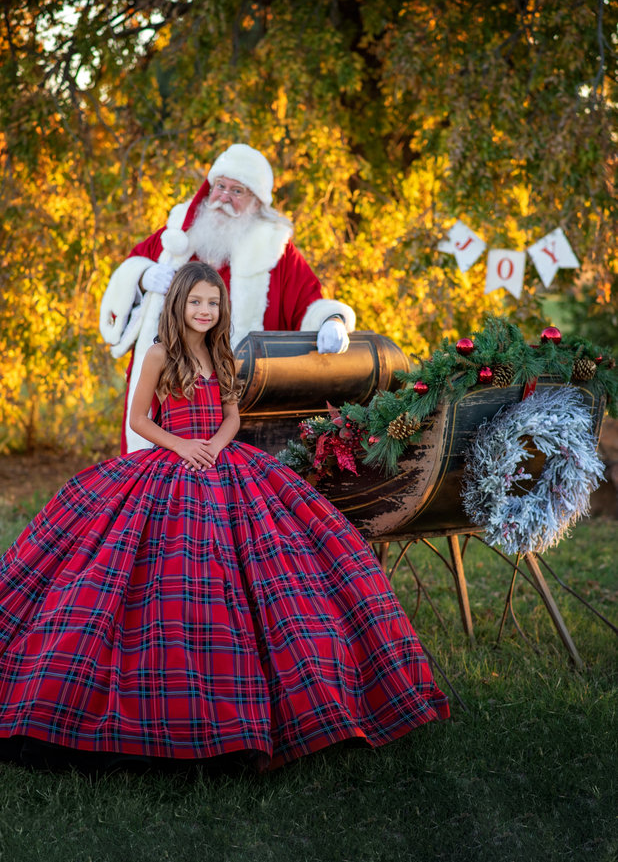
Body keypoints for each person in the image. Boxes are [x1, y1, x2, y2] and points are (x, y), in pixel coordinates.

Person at [0, 261, 448, 774]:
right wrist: (183, 446)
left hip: (225, 460)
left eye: (212, 303)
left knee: (281, 563)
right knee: (169, 571)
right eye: (196, 303)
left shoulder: (220, 355)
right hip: (171, 461)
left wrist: (213, 444)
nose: (204, 311)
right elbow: (139, 418)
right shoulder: (159, 354)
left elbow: (233, 414)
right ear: (179, 305)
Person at [100, 142, 357, 453]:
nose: (223, 197)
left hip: (242, 389)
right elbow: (131, 267)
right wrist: (143, 276)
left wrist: (331, 320)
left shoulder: (274, 248)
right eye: (220, 186)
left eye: (237, 191)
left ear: (256, 202)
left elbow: (308, 298)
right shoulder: (179, 231)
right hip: (169, 392)